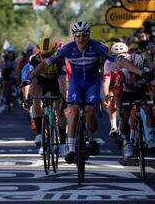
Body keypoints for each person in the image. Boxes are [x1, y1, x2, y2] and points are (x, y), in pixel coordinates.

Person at [28, 21, 152, 164]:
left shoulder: (98, 47)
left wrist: (141, 71)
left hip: (92, 83)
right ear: (74, 37)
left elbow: (120, 61)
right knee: (74, 111)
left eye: (85, 35)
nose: (81, 39)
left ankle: (91, 138)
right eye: (78, 35)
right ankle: (72, 150)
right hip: (76, 83)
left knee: (89, 112)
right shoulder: (67, 49)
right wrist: (30, 77)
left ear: (89, 35)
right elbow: (45, 64)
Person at [28, 38, 67, 156]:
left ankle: (62, 144)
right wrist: (29, 96)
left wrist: (63, 98)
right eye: (43, 55)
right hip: (41, 83)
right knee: (35, 100)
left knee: (59, 110)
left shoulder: (60, 59)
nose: (46, 58)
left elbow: (62, 80)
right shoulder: (34, 60)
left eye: (49, 55)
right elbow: (32, 80)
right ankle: (40, 134)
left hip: (55, 82)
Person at [115, 54, 155, 157]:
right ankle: (127, 142)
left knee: (148, 108)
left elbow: (151, 91)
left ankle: (150, 138)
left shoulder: (146, 72)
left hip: (141, 92)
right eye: (131, 72)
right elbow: (118, 93)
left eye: (136, 73)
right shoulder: (121, 74)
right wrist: (119, 108)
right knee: (124, 115)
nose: (133, 76)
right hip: (126, 94)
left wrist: (152, 102)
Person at [102, 42, 129, 139]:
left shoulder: (132, 60)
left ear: (127, 53)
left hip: (127, 83)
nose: (119, 58)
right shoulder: (108, 63)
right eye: (115, 55)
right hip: (113, 83)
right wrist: (106, 97)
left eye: (122, 55)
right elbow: (106, 82)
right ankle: (113, 126)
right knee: (111, 97)